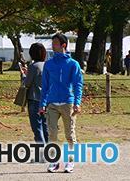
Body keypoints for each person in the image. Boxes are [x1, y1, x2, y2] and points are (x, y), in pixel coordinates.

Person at [39, 33, 83, 173]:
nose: (52, 46)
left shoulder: (73, 64)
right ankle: (54, 162)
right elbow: (44, 86)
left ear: (63, 45)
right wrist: (42, 104)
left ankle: (70, 162)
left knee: (70, 135)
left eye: (55, 43)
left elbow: (78, 85)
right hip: (52, 104)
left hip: (68, 103)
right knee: (52, 135)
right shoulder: (49, 64)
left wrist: (77, 102)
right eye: (52, 43)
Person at [20, 42, 48, 144]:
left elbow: (27, 84)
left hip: (34, 99)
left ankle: (42, 153)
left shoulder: (33, 66)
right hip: (47, 100)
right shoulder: (47, 65)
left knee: (37, 128)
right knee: (46, 127)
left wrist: (24, 75)